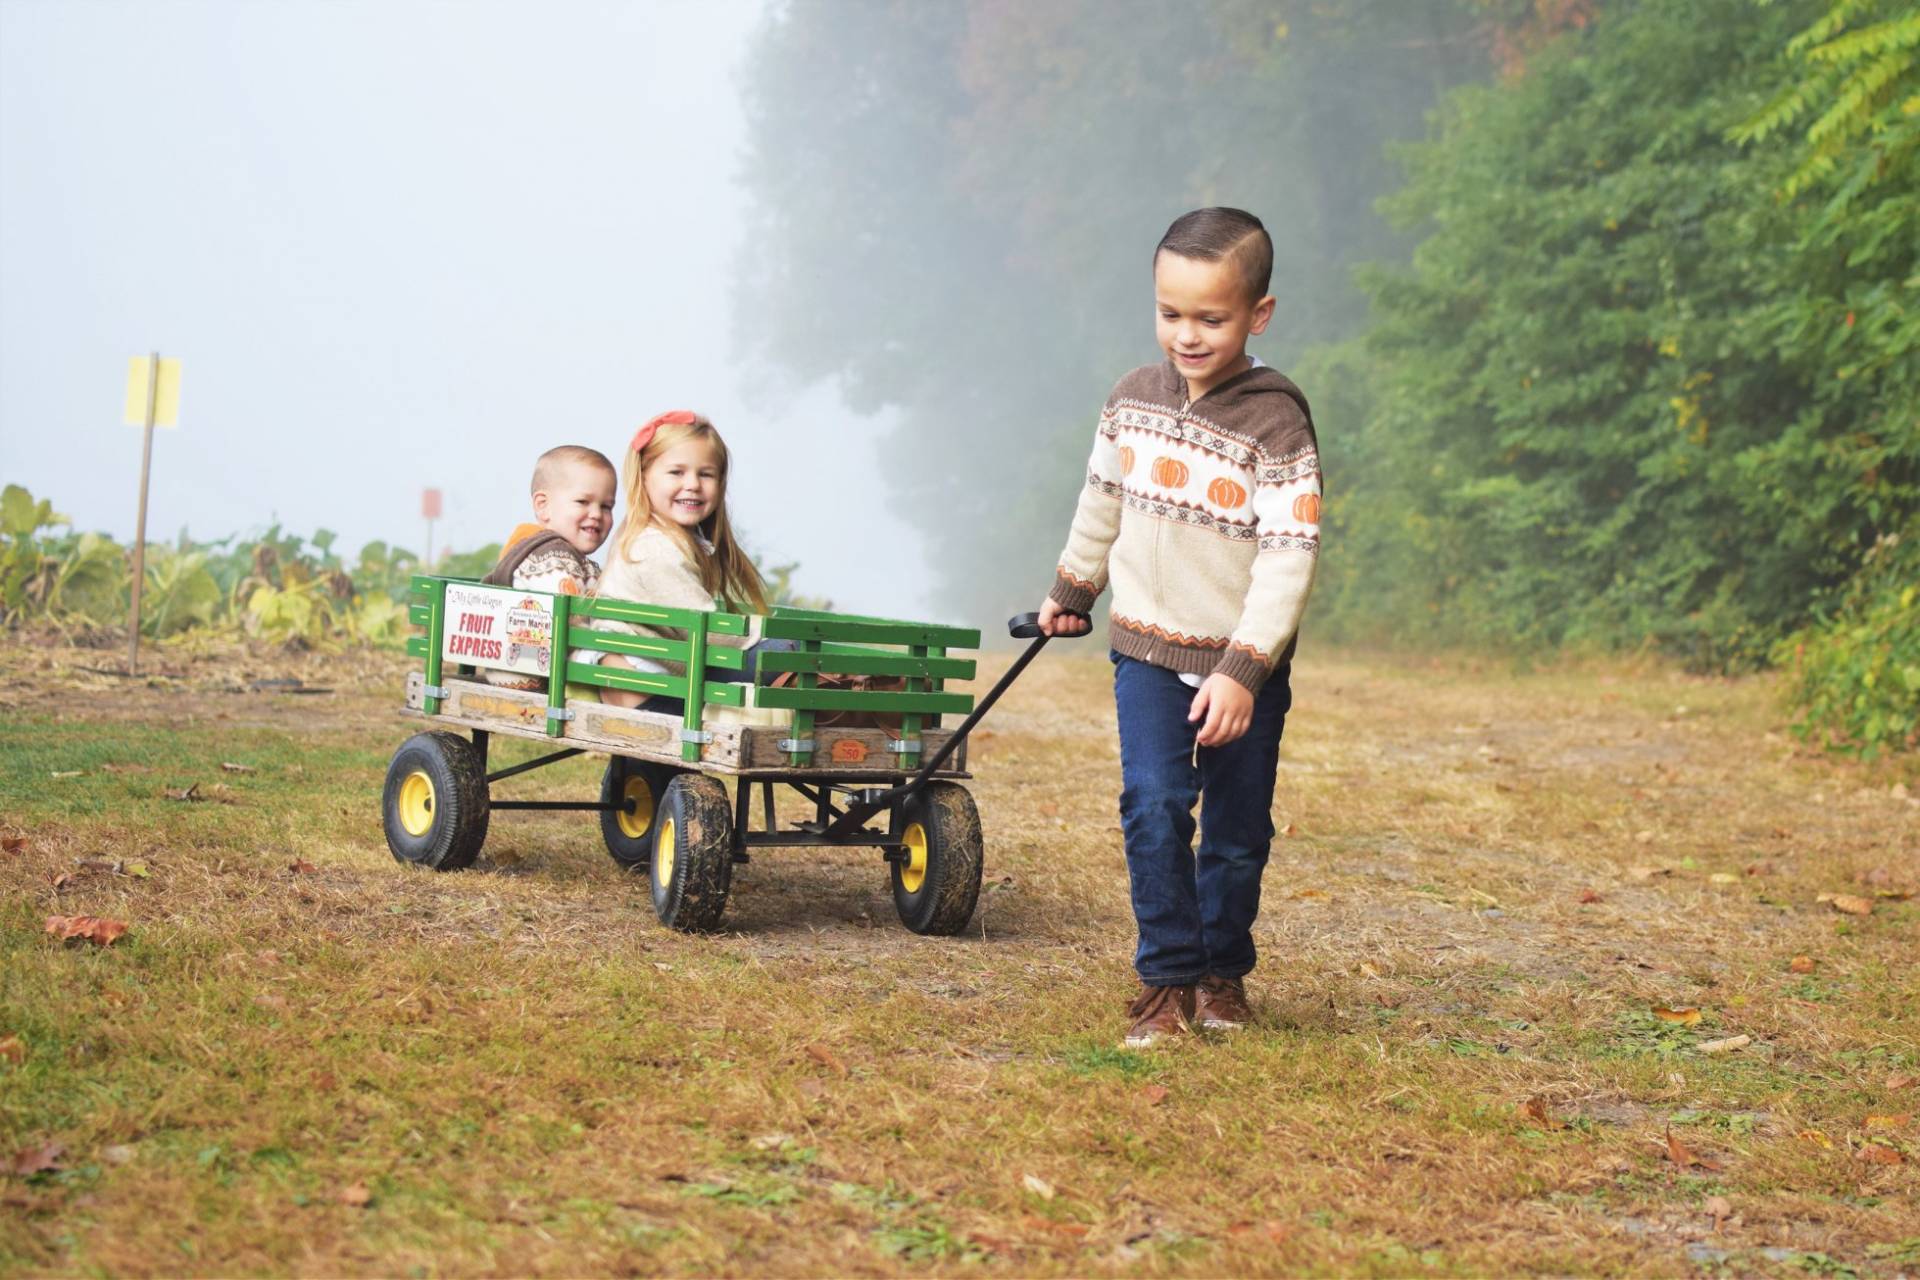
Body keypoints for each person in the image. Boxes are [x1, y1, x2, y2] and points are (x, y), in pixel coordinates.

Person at [1035, 207, 1321, 1049]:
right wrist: (1071, 590)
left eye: (1211, 317)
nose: (1187, 335)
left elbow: (1289, 555)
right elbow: (1101, 504)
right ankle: (1165, 982)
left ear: (1257, 315)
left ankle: (1220, 972)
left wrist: (1242, 669)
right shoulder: (1131, 401)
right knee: (1154, 805)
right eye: (1171, 314)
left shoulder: (1276, 422)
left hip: (1242, 666)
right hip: (1147, 648)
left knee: (1236, 832)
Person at [591, 411, 772, 712]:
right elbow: (709, 631)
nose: (693, 484)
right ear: (644, 476)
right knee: (783, 653)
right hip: (649, 685)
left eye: (706, 474)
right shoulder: (654, 547)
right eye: (676, 472)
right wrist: (764, 633)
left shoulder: (654, 535)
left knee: (777, 655)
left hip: (654, 672)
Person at [479, 445, 617, 691]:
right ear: (543, 506)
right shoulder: (552, 558)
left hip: (535, 666)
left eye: (606, 506)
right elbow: (572, 620)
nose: (596, 514)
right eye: (583, 501)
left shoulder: (564, 556)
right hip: (535, 674)